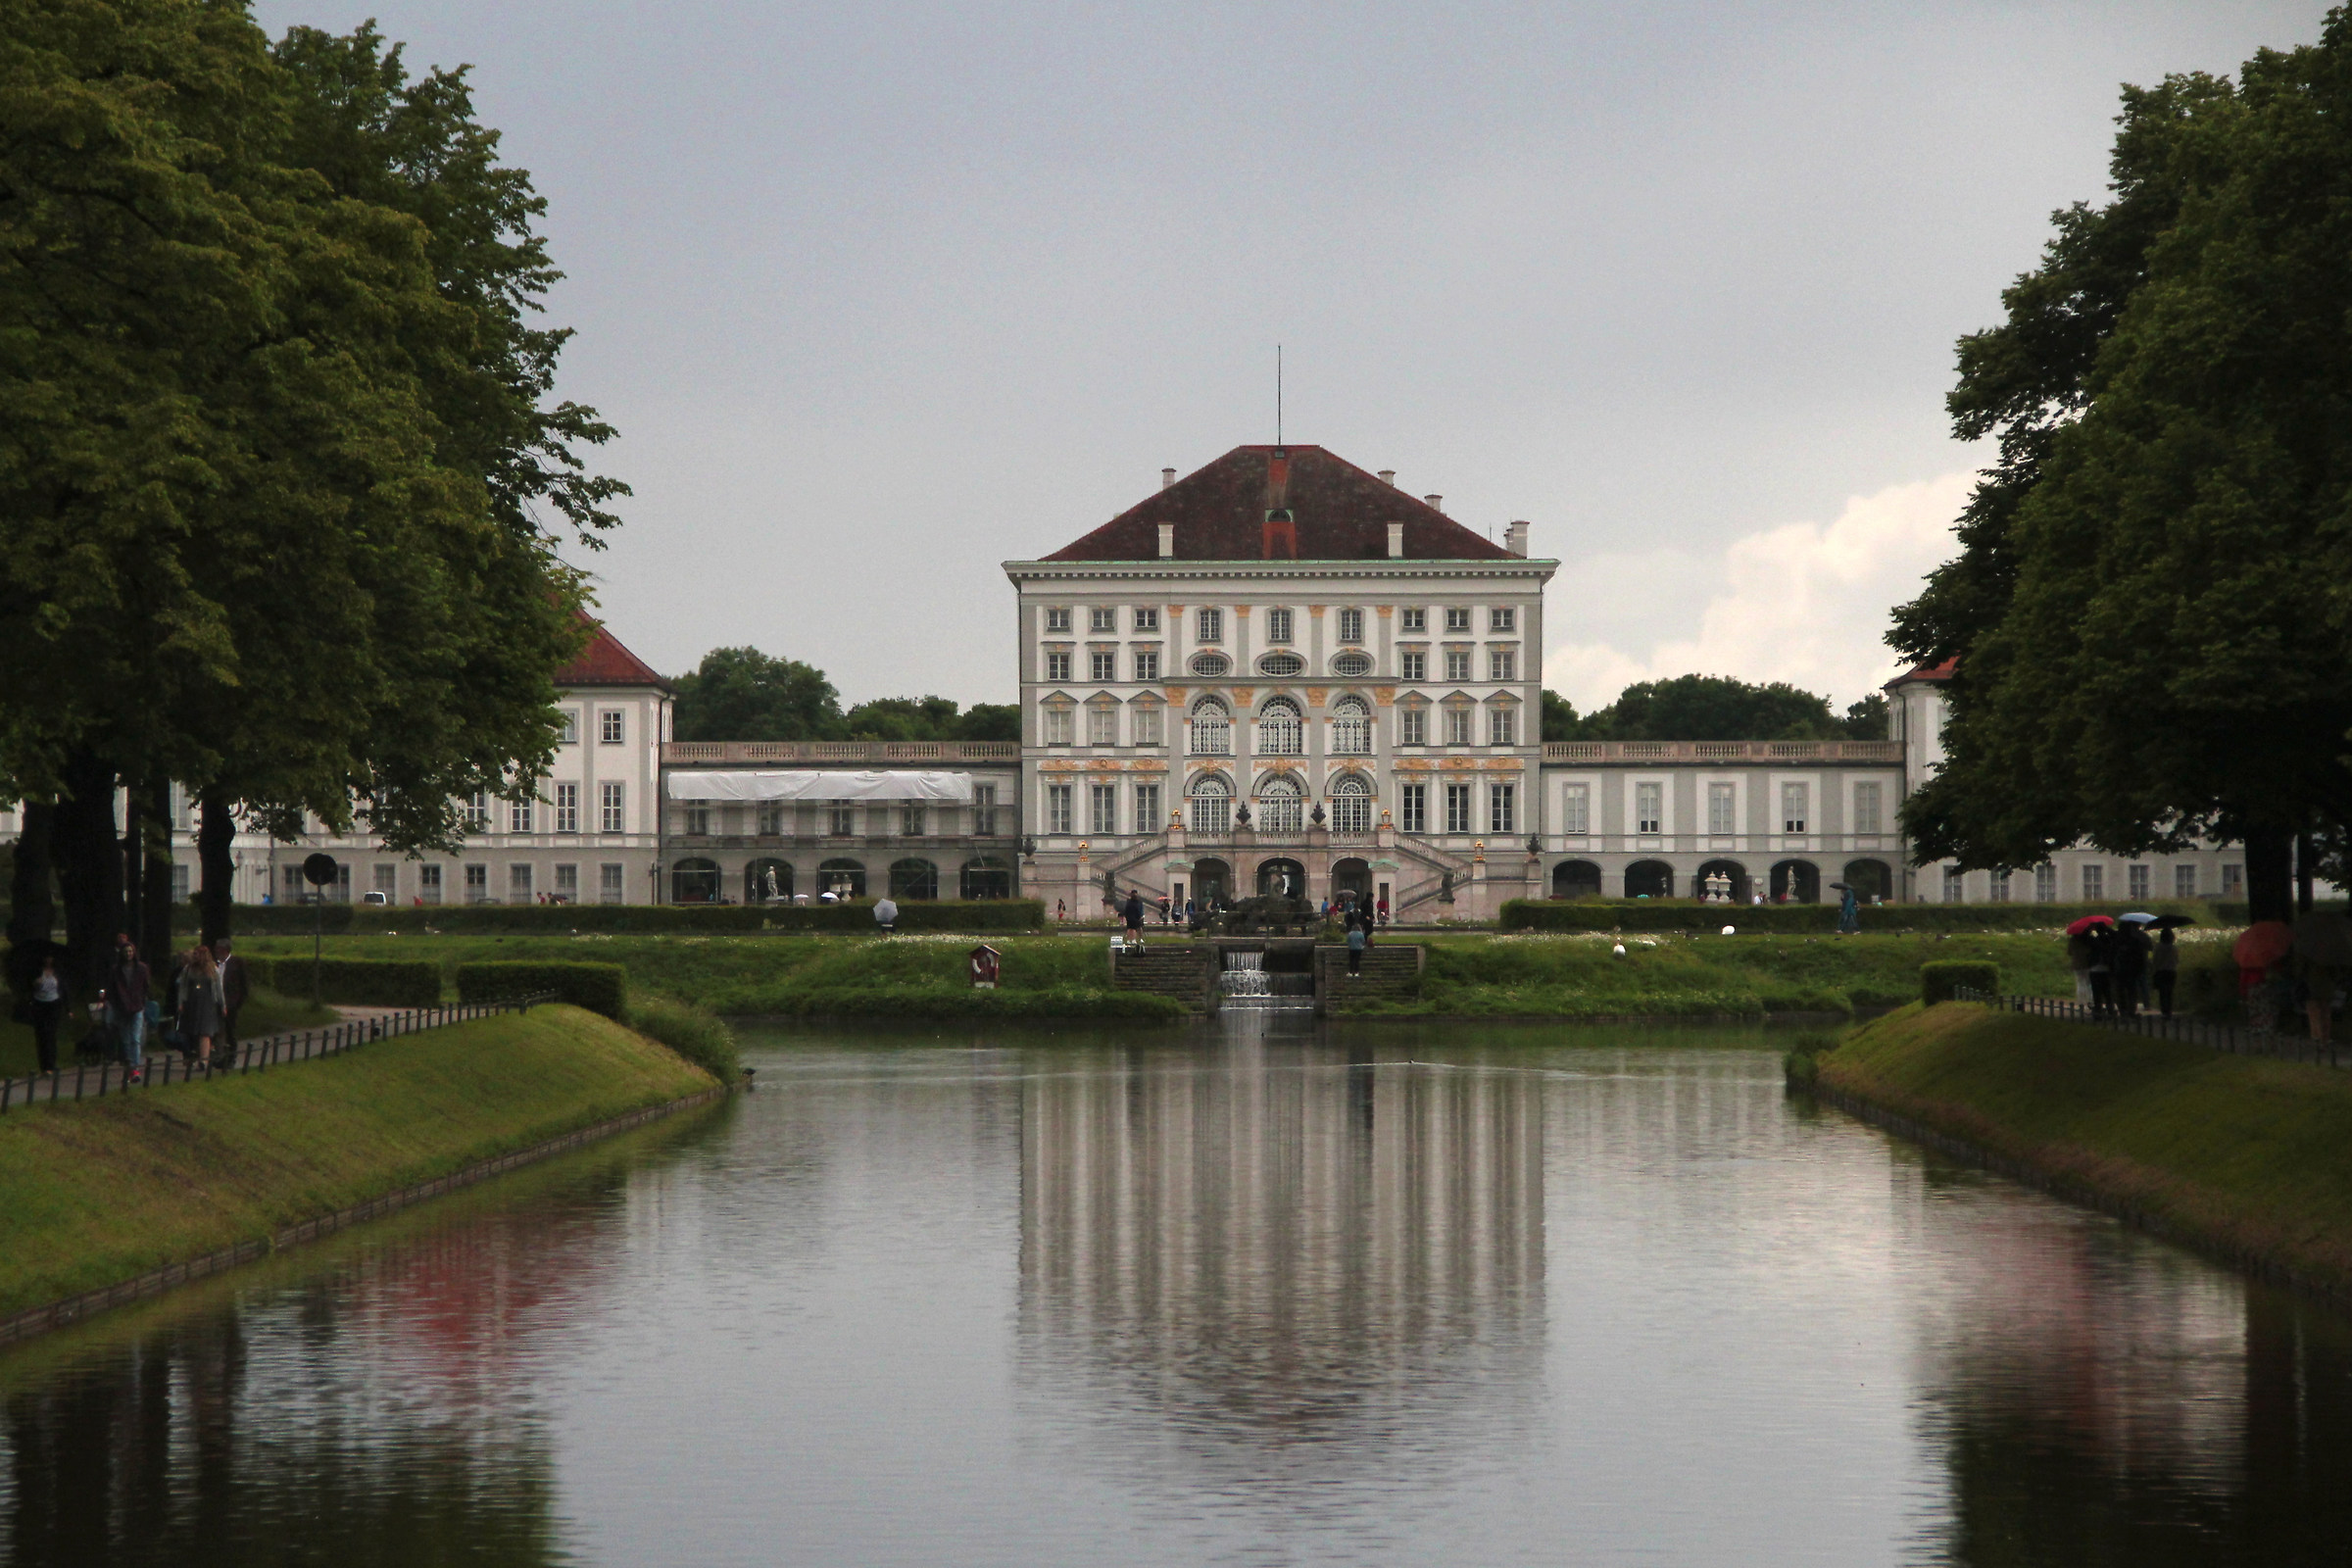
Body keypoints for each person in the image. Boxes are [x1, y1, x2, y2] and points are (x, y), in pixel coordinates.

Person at [100, 937, 151, 1082]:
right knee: (126, 1040)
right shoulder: (116, 970)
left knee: (135, 1038)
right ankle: (130, 1067)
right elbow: (111, 988)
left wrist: (141, 1001)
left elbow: (146, 987)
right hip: (121, 1008)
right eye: (126, 951)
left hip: (137, 1007)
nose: (128, 954)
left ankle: (135, 1068)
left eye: (131, 951)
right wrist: (113, 1003)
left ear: (134, 953)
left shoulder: (141, 968)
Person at [176, 943, 224, 1068]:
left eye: (196, 954)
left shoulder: (213, 969)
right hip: (191, 1003)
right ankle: (191, 1056)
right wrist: (181, 1002)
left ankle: (204, 1060)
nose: (194, 956)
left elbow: (219, 988)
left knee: (205, 1032)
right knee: (191, 1031)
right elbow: (183, 987)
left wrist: (222, 1004)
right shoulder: (188, 969)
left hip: (208, 1004)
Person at [27, 954, 64, 1074]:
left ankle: (52, 1064)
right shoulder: (37, 972)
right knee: (42, 1034)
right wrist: (36, 984)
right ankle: (44, 1065)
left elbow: (63, 988)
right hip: (40, 1004)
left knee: (51, 1035)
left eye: (50, 957)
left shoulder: (57, 972)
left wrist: (67, 1008)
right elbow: (31, 988)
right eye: (46, 957)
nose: (48, 959)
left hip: (53, 1004)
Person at [214, 937, 248, 1061]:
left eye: (219, 949)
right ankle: (219, 1056)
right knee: (217, 1029)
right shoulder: (214, 964)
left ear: (225, 950)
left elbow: (244, 984)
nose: (217, 952)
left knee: (230, 1030)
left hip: (231, 1003)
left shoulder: (237, 963)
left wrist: (238, 1002)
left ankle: (231, 1056)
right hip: (217, 1002)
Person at [2111, 920, 2152, 1019]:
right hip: (2132, 970)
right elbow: (2141, 955)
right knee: (2132, 992)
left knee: (2120, 992)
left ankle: (2123, 1011)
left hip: (2119, 970)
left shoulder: (2116, 941)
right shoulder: (2136, 940)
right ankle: (2131, 1011)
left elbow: (2112, 955)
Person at [2152, 926, 2180, 1018]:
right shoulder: (2174, 948)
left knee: (2162, 992)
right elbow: (2177, 960)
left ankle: (2164, 1010)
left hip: (2161, 971)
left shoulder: (2158, 947)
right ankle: (2169, 1010)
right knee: (2169, 991)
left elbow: (2155, 960)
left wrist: (2155, 970)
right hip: (2171, 971)